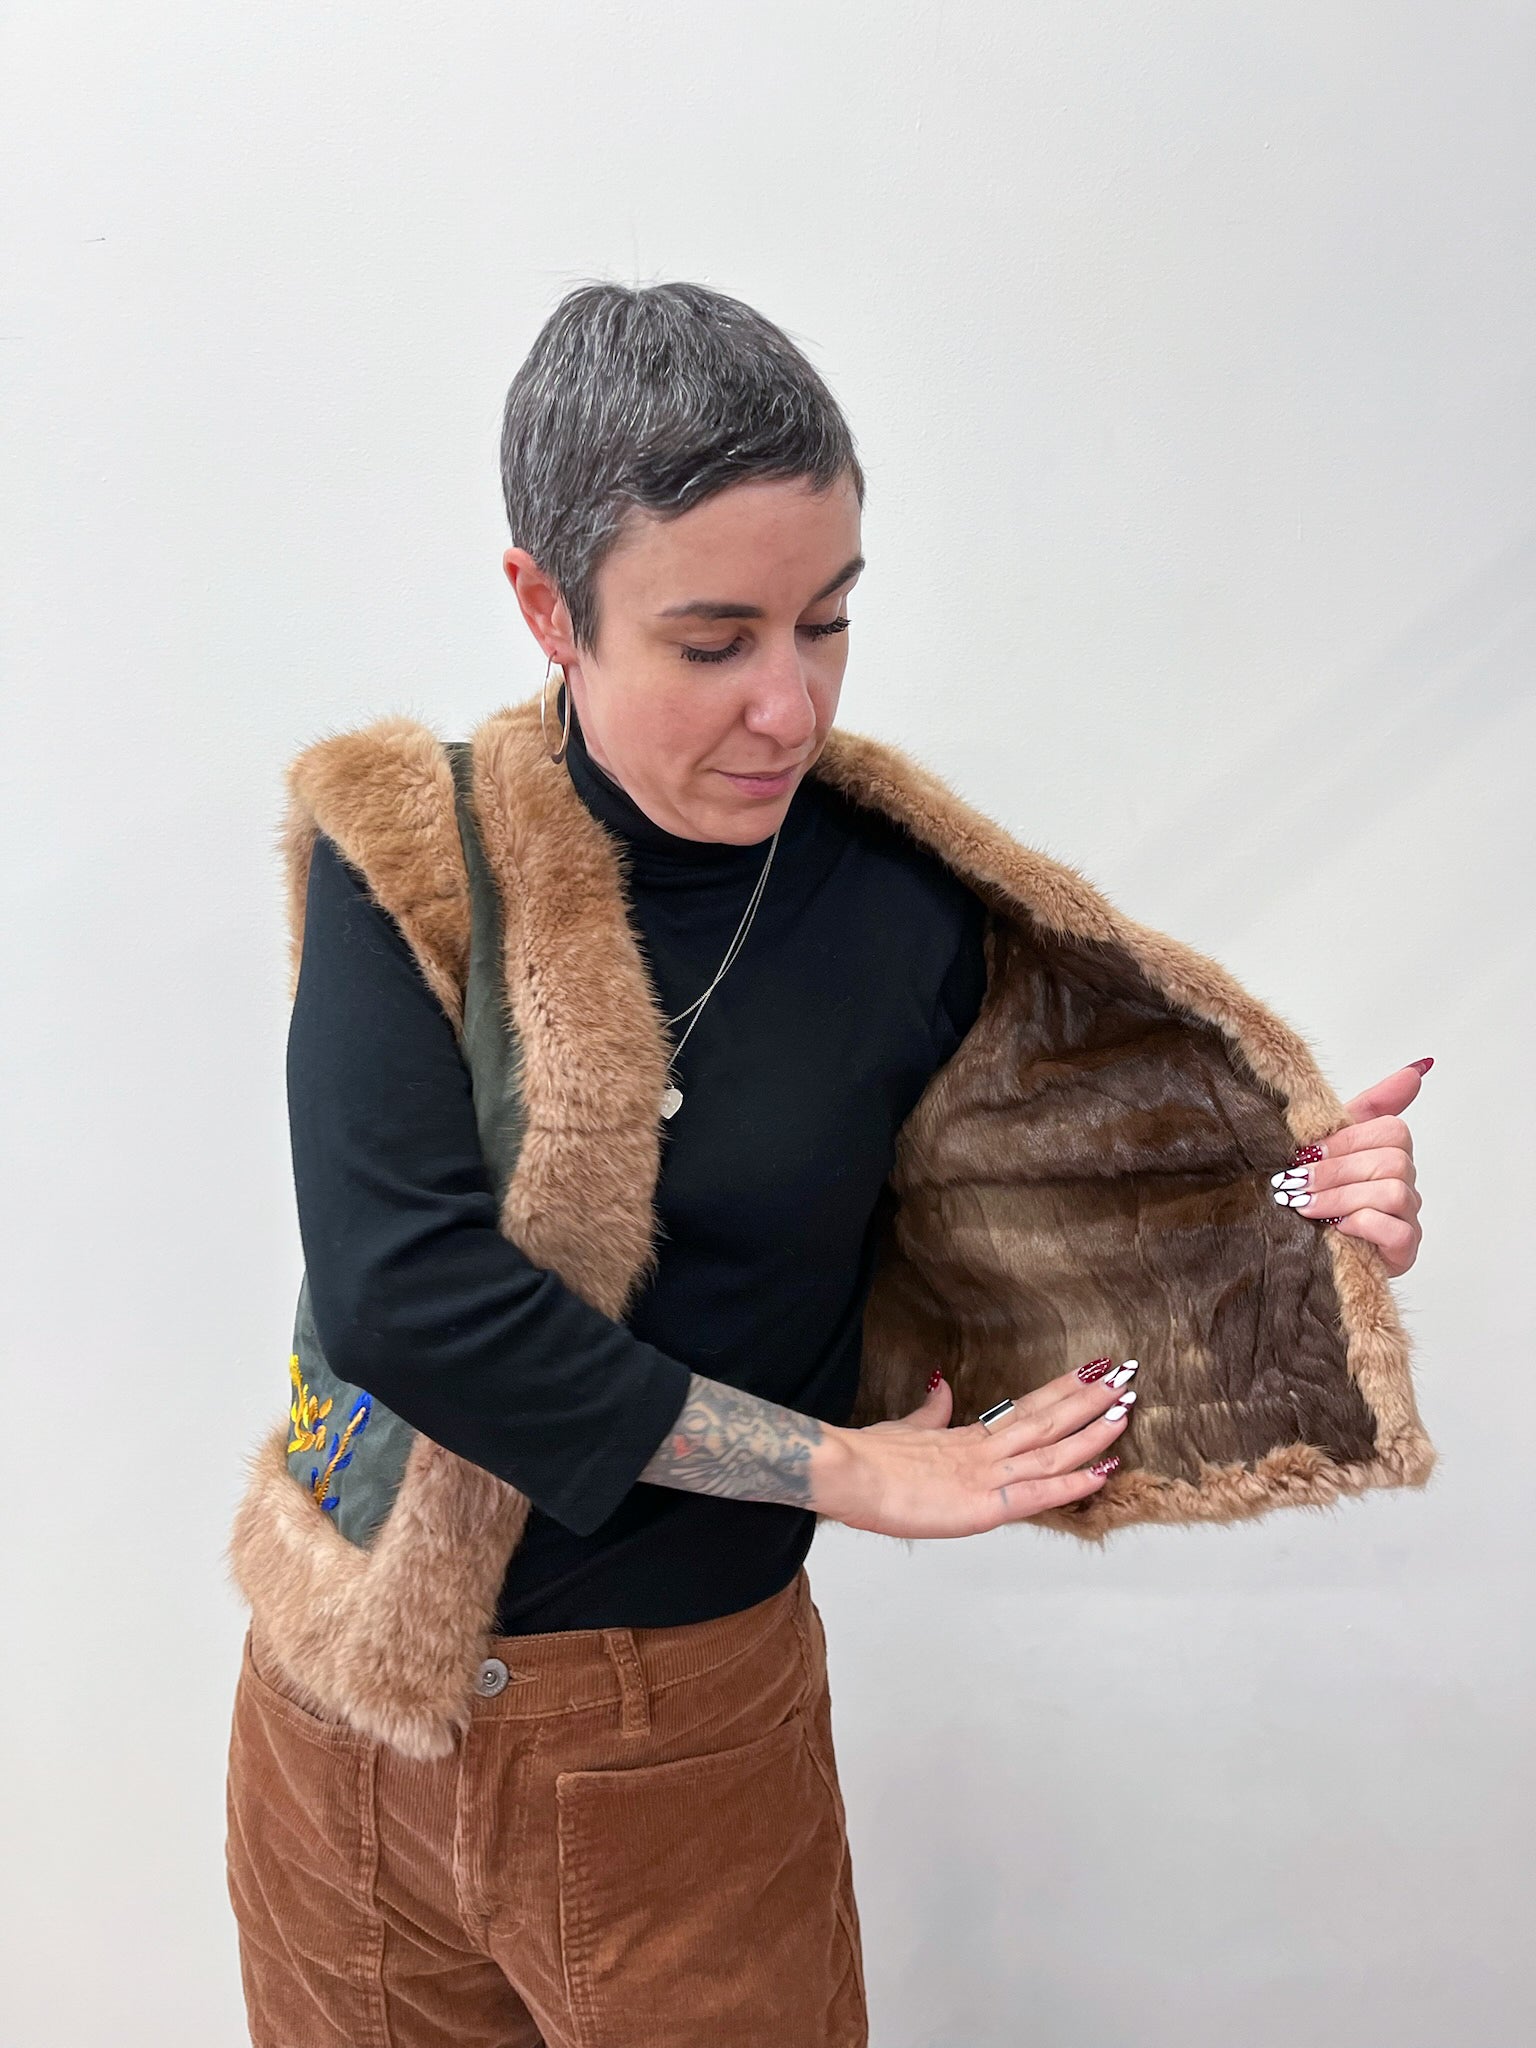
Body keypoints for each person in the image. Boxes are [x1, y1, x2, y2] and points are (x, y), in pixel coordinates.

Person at [224, 280, 1433, 2048]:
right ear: (549, 606)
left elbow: (1047, 1211)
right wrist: (843, 1471)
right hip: (337, 1735)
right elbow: (409, 1302)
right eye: (714, 642)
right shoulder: (412, 856)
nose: (790, 707)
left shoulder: (904, 911)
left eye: (829, 621)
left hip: (678, 1754)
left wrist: (1303, 1208)